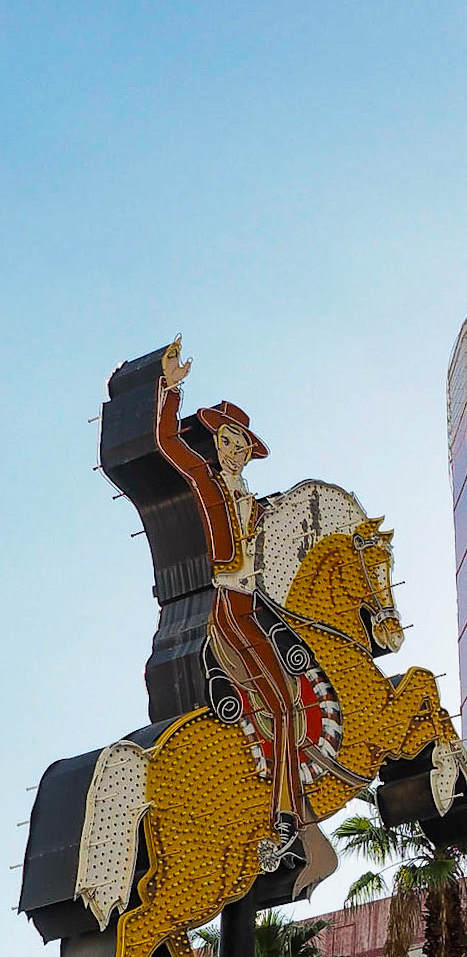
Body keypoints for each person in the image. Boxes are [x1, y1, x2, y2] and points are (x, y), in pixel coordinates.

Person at [154, 337, 309, 860]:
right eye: (227, 439)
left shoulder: (256, 505)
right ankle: (285, 820)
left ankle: (274, 800)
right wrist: (169, 389)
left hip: (251, 607)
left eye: (242, 442)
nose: (235, 448)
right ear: (216, 442)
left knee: (286, 699)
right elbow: (166, 443)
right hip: (224, 607)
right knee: (286, 706)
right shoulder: (207, 482)